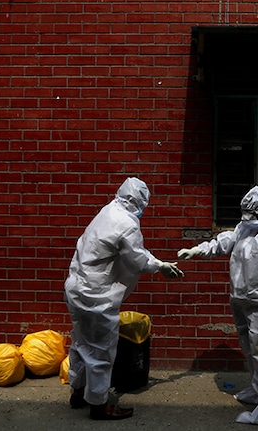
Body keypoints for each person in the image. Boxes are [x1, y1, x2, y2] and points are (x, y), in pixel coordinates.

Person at [177, 186, 258, 425]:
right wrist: (196, 250)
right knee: (249, 347)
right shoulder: (244, 229)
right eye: (245, 213)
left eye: (251, 214)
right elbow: (223, 243)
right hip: (242, 299)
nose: (247, 218)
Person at [64, 177, 184, 420]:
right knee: (101, 351)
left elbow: (128, 250)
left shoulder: (108, 210)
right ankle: (99, 405)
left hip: (76, 288)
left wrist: (157, 262)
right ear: (140, 201)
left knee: (81, 342)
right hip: (96, 296)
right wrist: (160, 267)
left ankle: (77, 392)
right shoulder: (128, 223)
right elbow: (136, 259)